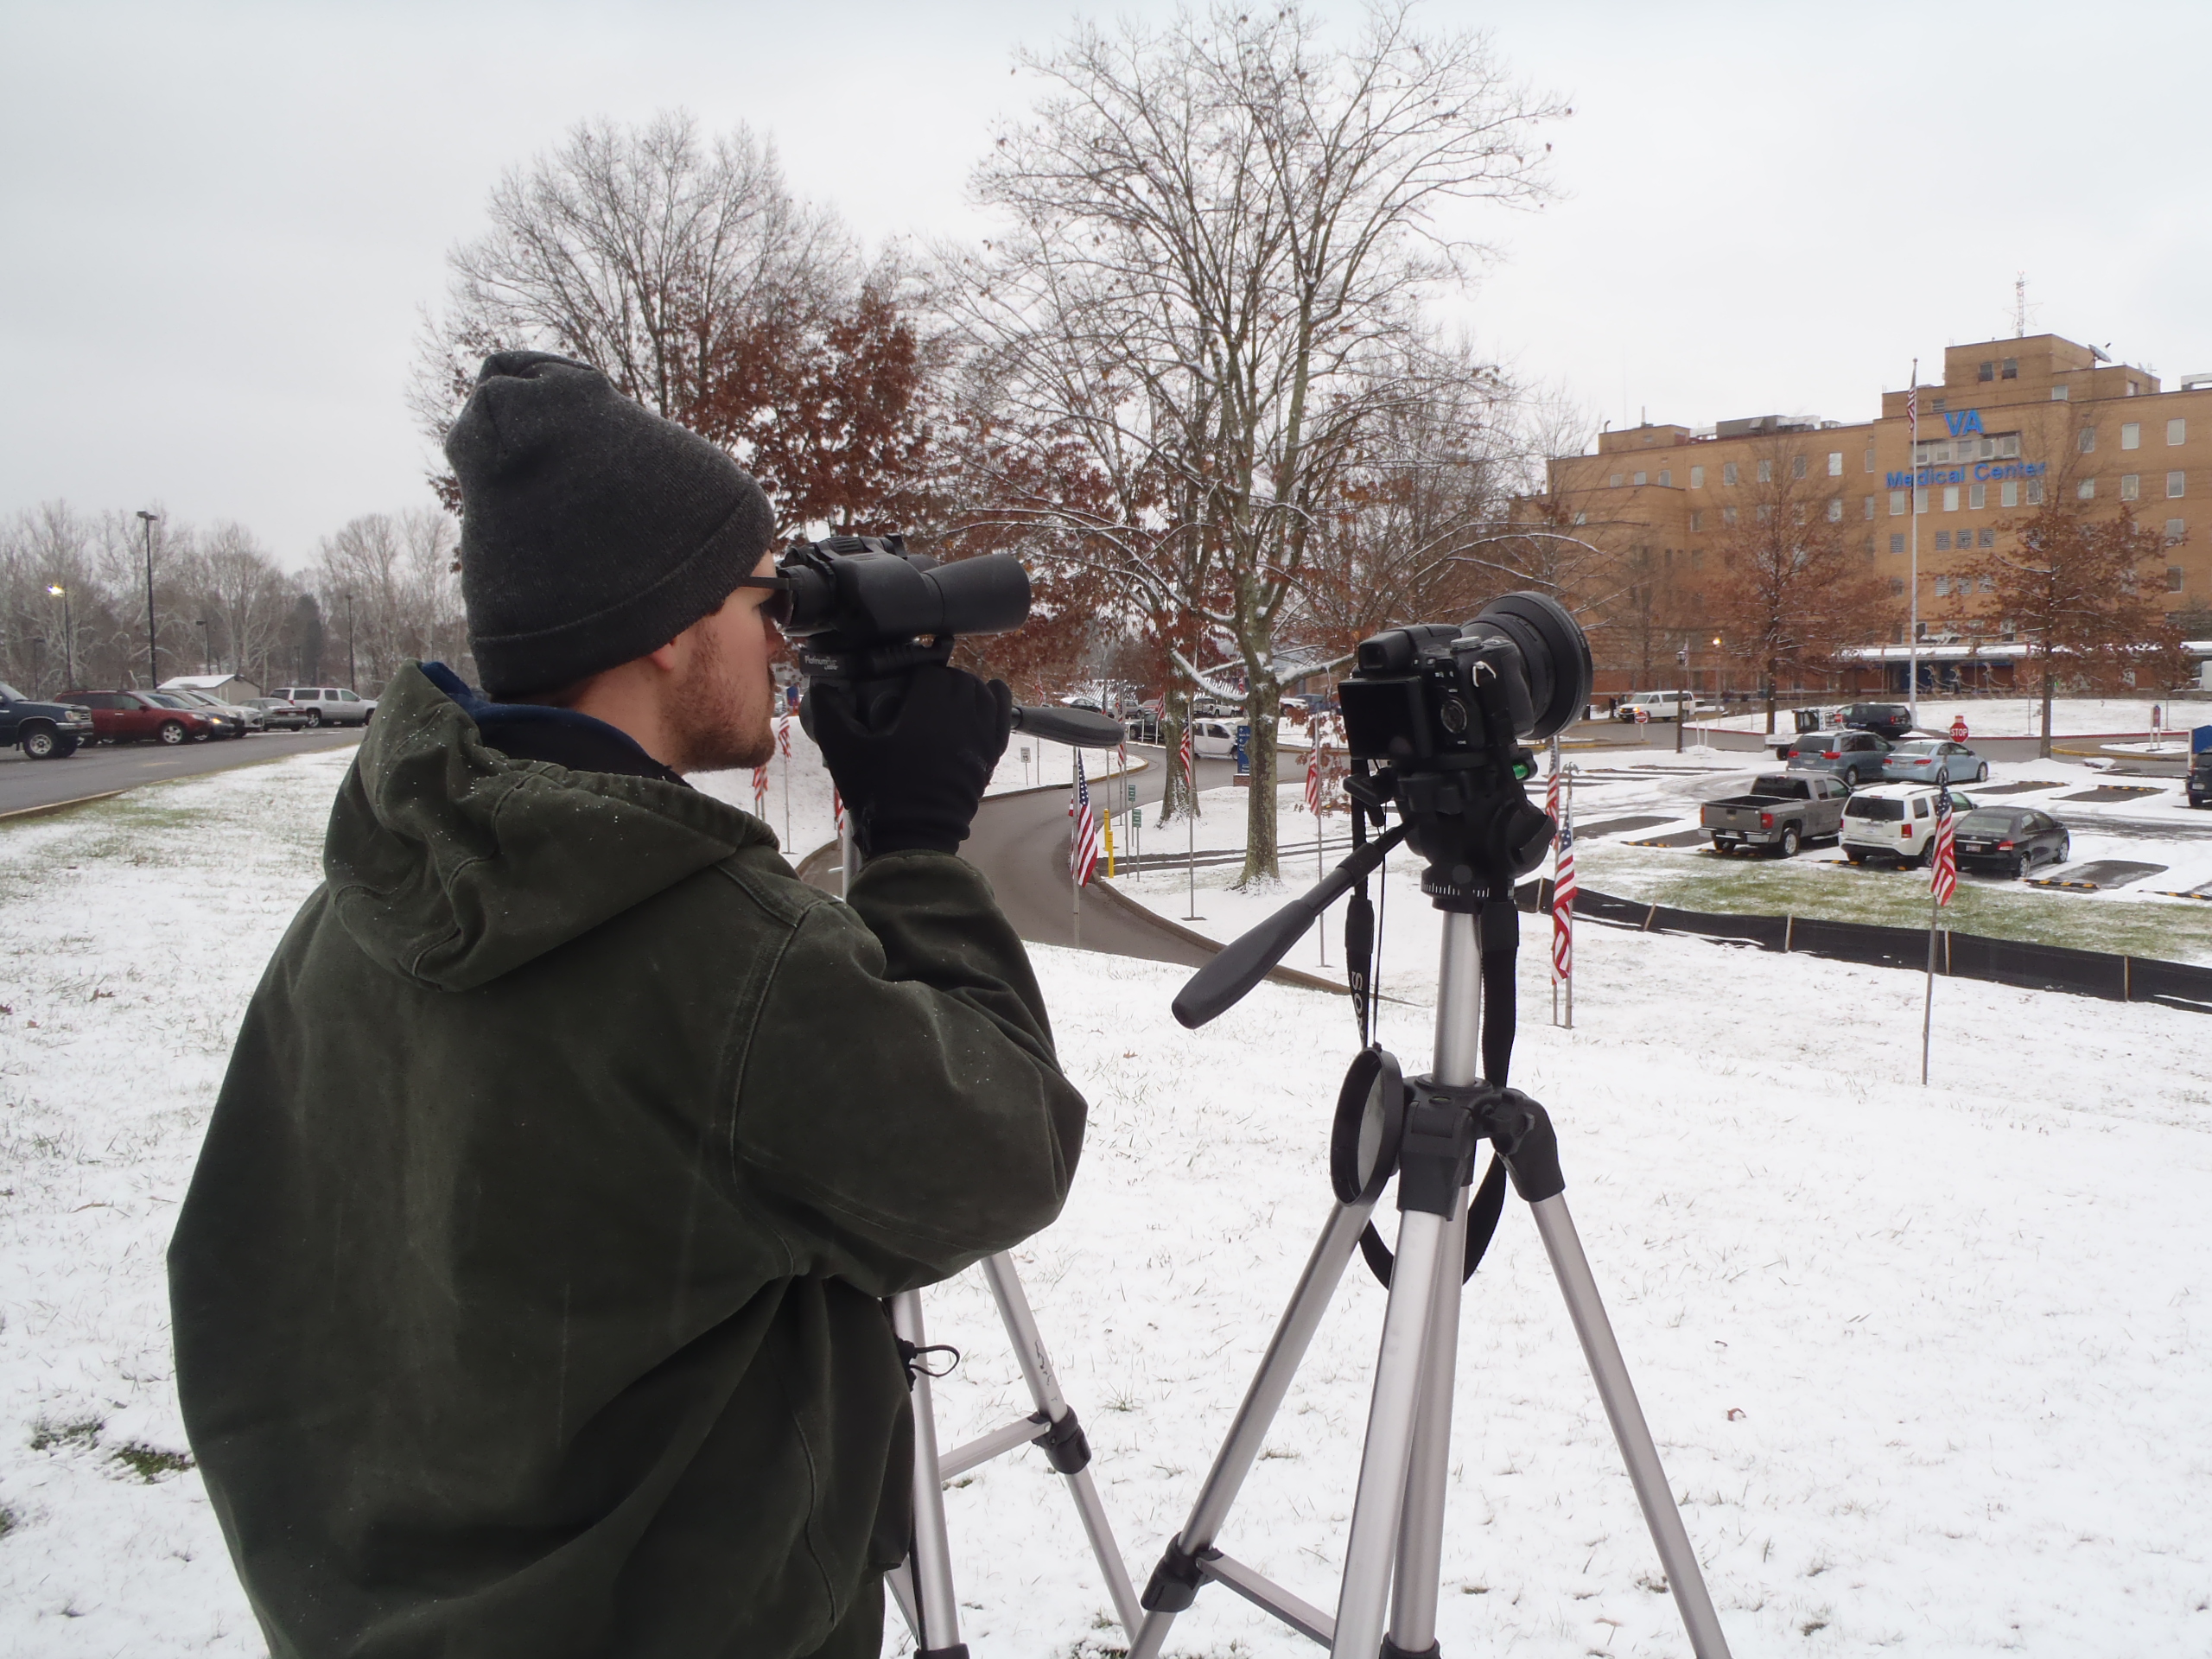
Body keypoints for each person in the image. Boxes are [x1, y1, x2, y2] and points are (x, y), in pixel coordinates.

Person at [168, 352, 1087, 1659]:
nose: (780, 638)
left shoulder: (371, 897)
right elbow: (1008, 1152)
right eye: (761, 599)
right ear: (665, 627)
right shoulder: (715, 953)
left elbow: (231, 1276)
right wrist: (923, 846)